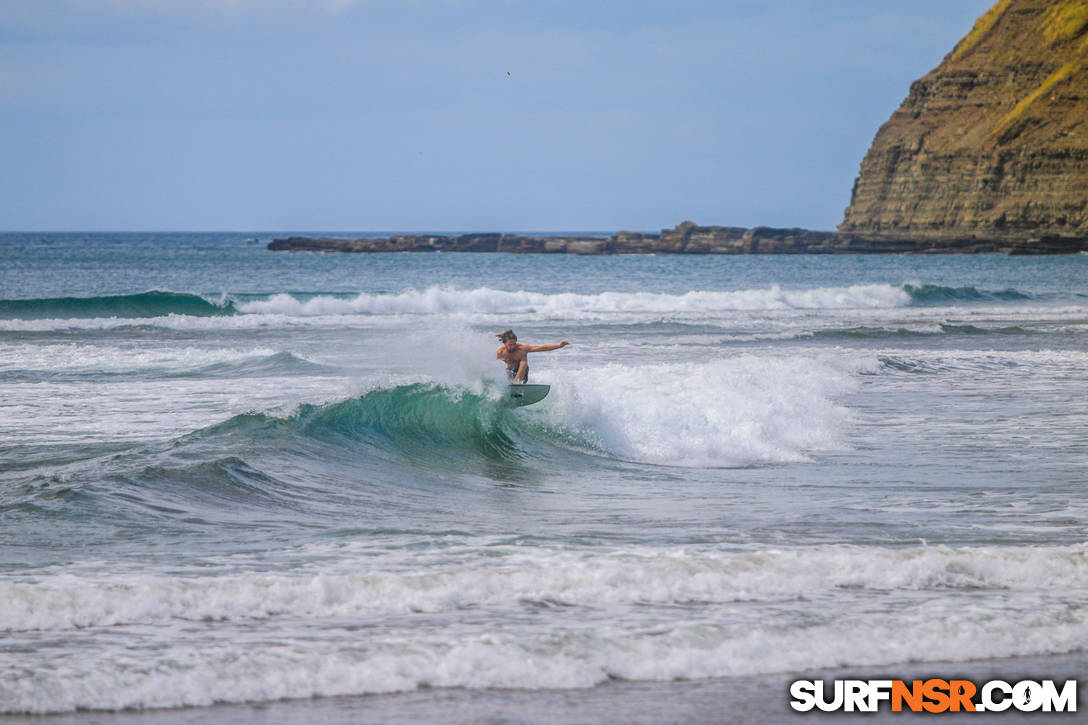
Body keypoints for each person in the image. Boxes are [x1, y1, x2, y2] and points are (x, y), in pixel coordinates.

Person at [495, 329, 570, 383]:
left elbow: (543, 348)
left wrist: (559, 345)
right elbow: (489, 362)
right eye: (510, 345)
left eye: (514, 344)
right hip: (510, 370)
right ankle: (513, 386)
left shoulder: (522, 349)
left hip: (522, 371)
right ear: (504, 343)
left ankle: (517, 384)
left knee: (523, 360)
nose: (513, 346)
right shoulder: (500, 352)